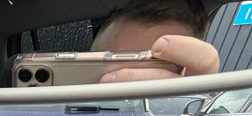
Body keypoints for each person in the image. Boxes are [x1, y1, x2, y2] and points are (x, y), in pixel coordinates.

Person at [91, 0, 220, 82]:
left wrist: (199, 105)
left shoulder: (193, 111)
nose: (132, 100)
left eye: (157, 85)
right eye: (115, 70)